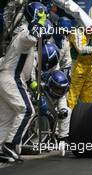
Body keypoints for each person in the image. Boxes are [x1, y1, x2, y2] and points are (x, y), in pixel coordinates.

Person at [0, 2, 47, 161]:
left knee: (8, 117)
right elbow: (33, 37)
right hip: (12, 78)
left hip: (7, 78)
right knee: (27, 110)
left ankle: (1, 149)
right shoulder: (25, 34)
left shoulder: (22, 35)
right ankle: (10, 145)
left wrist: (32, 82)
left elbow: (29, 65)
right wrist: (38, 22)